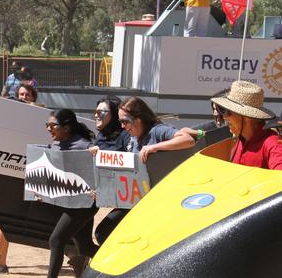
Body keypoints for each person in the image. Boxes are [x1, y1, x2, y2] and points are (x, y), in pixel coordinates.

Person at [93, 97, 195, 245]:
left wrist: (155, 147)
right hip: (135, 202)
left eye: (125, 121)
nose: (122, 126)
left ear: (138, 119)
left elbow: (187, 140)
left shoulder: (157, 130)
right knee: (103, 232)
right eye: (120, 121)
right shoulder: (133, 137)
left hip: (156, 203)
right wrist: (103, 191)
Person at [45, 109, 99, 278]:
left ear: (67, 127)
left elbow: (102, 168)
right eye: (47, 125)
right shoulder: (56, 144)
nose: (48, 128)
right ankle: (124, 264)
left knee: (56, 240)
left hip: (85, 204)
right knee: (85, 247)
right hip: (70, 202)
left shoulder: (84, 145)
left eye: (53, 125)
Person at [210, 81, 282, 171]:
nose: (224, 117)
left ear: (246, 116)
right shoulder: (239, 141)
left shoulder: (273, 144)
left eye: (229, 112)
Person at [87, 96, 130, 245]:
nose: (96, 115)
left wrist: (102, 153)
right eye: (95, 111)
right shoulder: (101, 136)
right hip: (112, 195)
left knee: (102, 234)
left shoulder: (126, 135)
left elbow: (131, 165)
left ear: (114, 115)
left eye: (101, 111)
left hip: (132, 199)